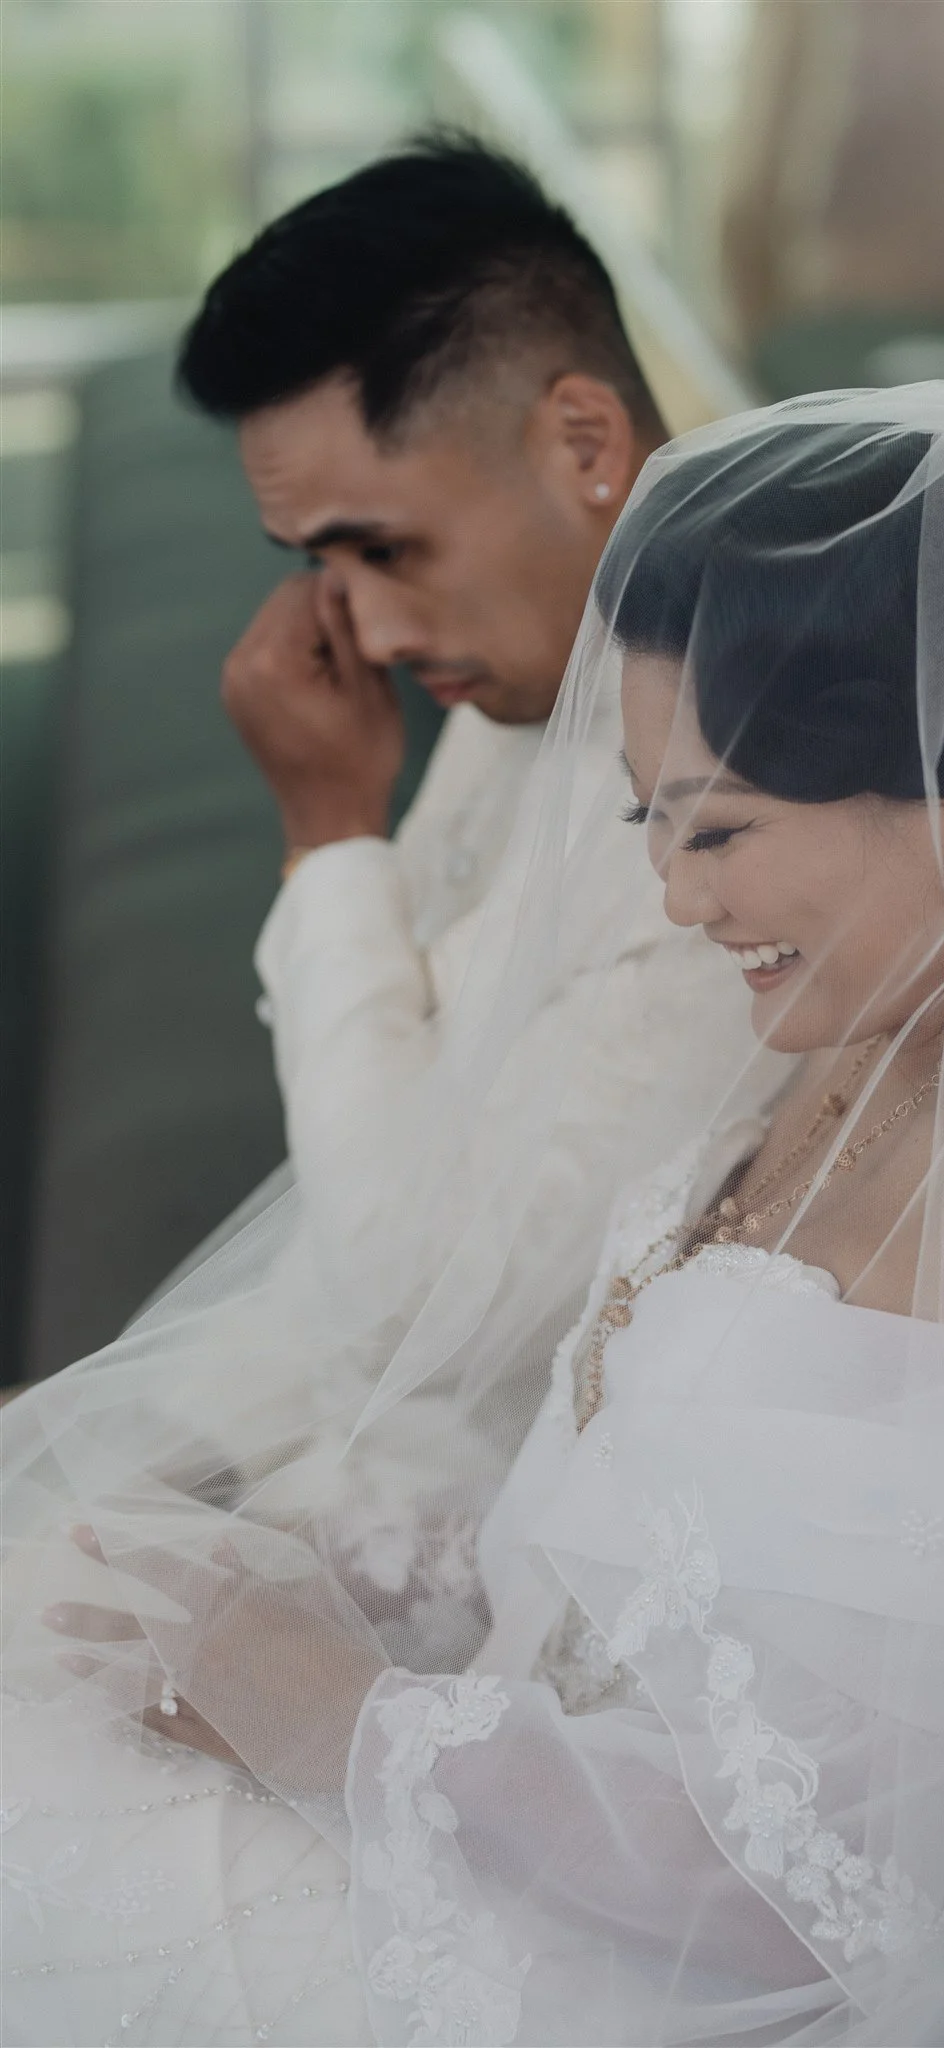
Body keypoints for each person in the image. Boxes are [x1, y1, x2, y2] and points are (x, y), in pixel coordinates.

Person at [2, 387, 944, 2048]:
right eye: (648, 819)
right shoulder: (885, 1031)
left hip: (623, 1979)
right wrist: (327, 1583)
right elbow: (650, 1557)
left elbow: (807, 1885)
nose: (675, 896)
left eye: (720, 827)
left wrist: (337, 1712)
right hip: (513, 1807)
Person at [176, 132, 717, 1328]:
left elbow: (415, 1305)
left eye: (385, 548)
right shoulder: (542, 651)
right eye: (323, 565)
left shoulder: (747, 798)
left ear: (583, 444)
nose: (367, 634)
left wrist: (330, 836)